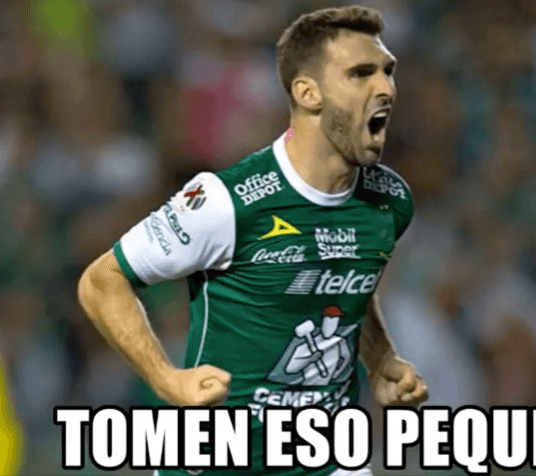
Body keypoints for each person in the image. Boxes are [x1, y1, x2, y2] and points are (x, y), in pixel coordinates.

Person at [77, 6, 428, 476]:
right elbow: (102, 281)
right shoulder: (228, 202)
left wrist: (380, 359)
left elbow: (350, 286)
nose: (385, 88)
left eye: (387, 71)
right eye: (360, 74)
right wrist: (167, 380)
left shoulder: (388, 200)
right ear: (307, 93)